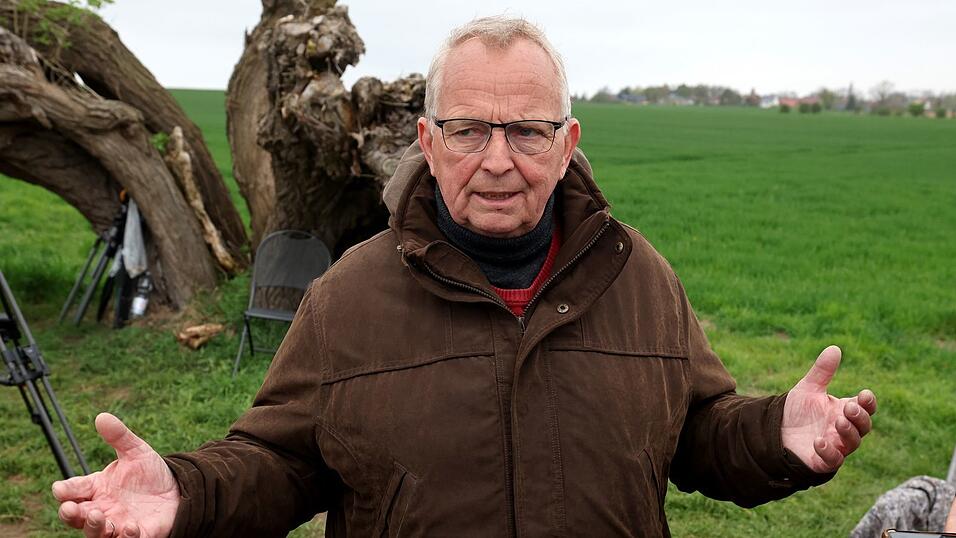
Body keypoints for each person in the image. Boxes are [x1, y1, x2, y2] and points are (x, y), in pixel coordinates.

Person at [52, 16, 877, 538]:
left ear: (566, 141)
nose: (496, 159)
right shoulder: (348, 299)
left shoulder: (639, 279)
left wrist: (775, 437)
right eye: (468, 128)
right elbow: (280, 464)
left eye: (525, 130)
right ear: (428, 138)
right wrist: (186, 493)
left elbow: (698, 435)